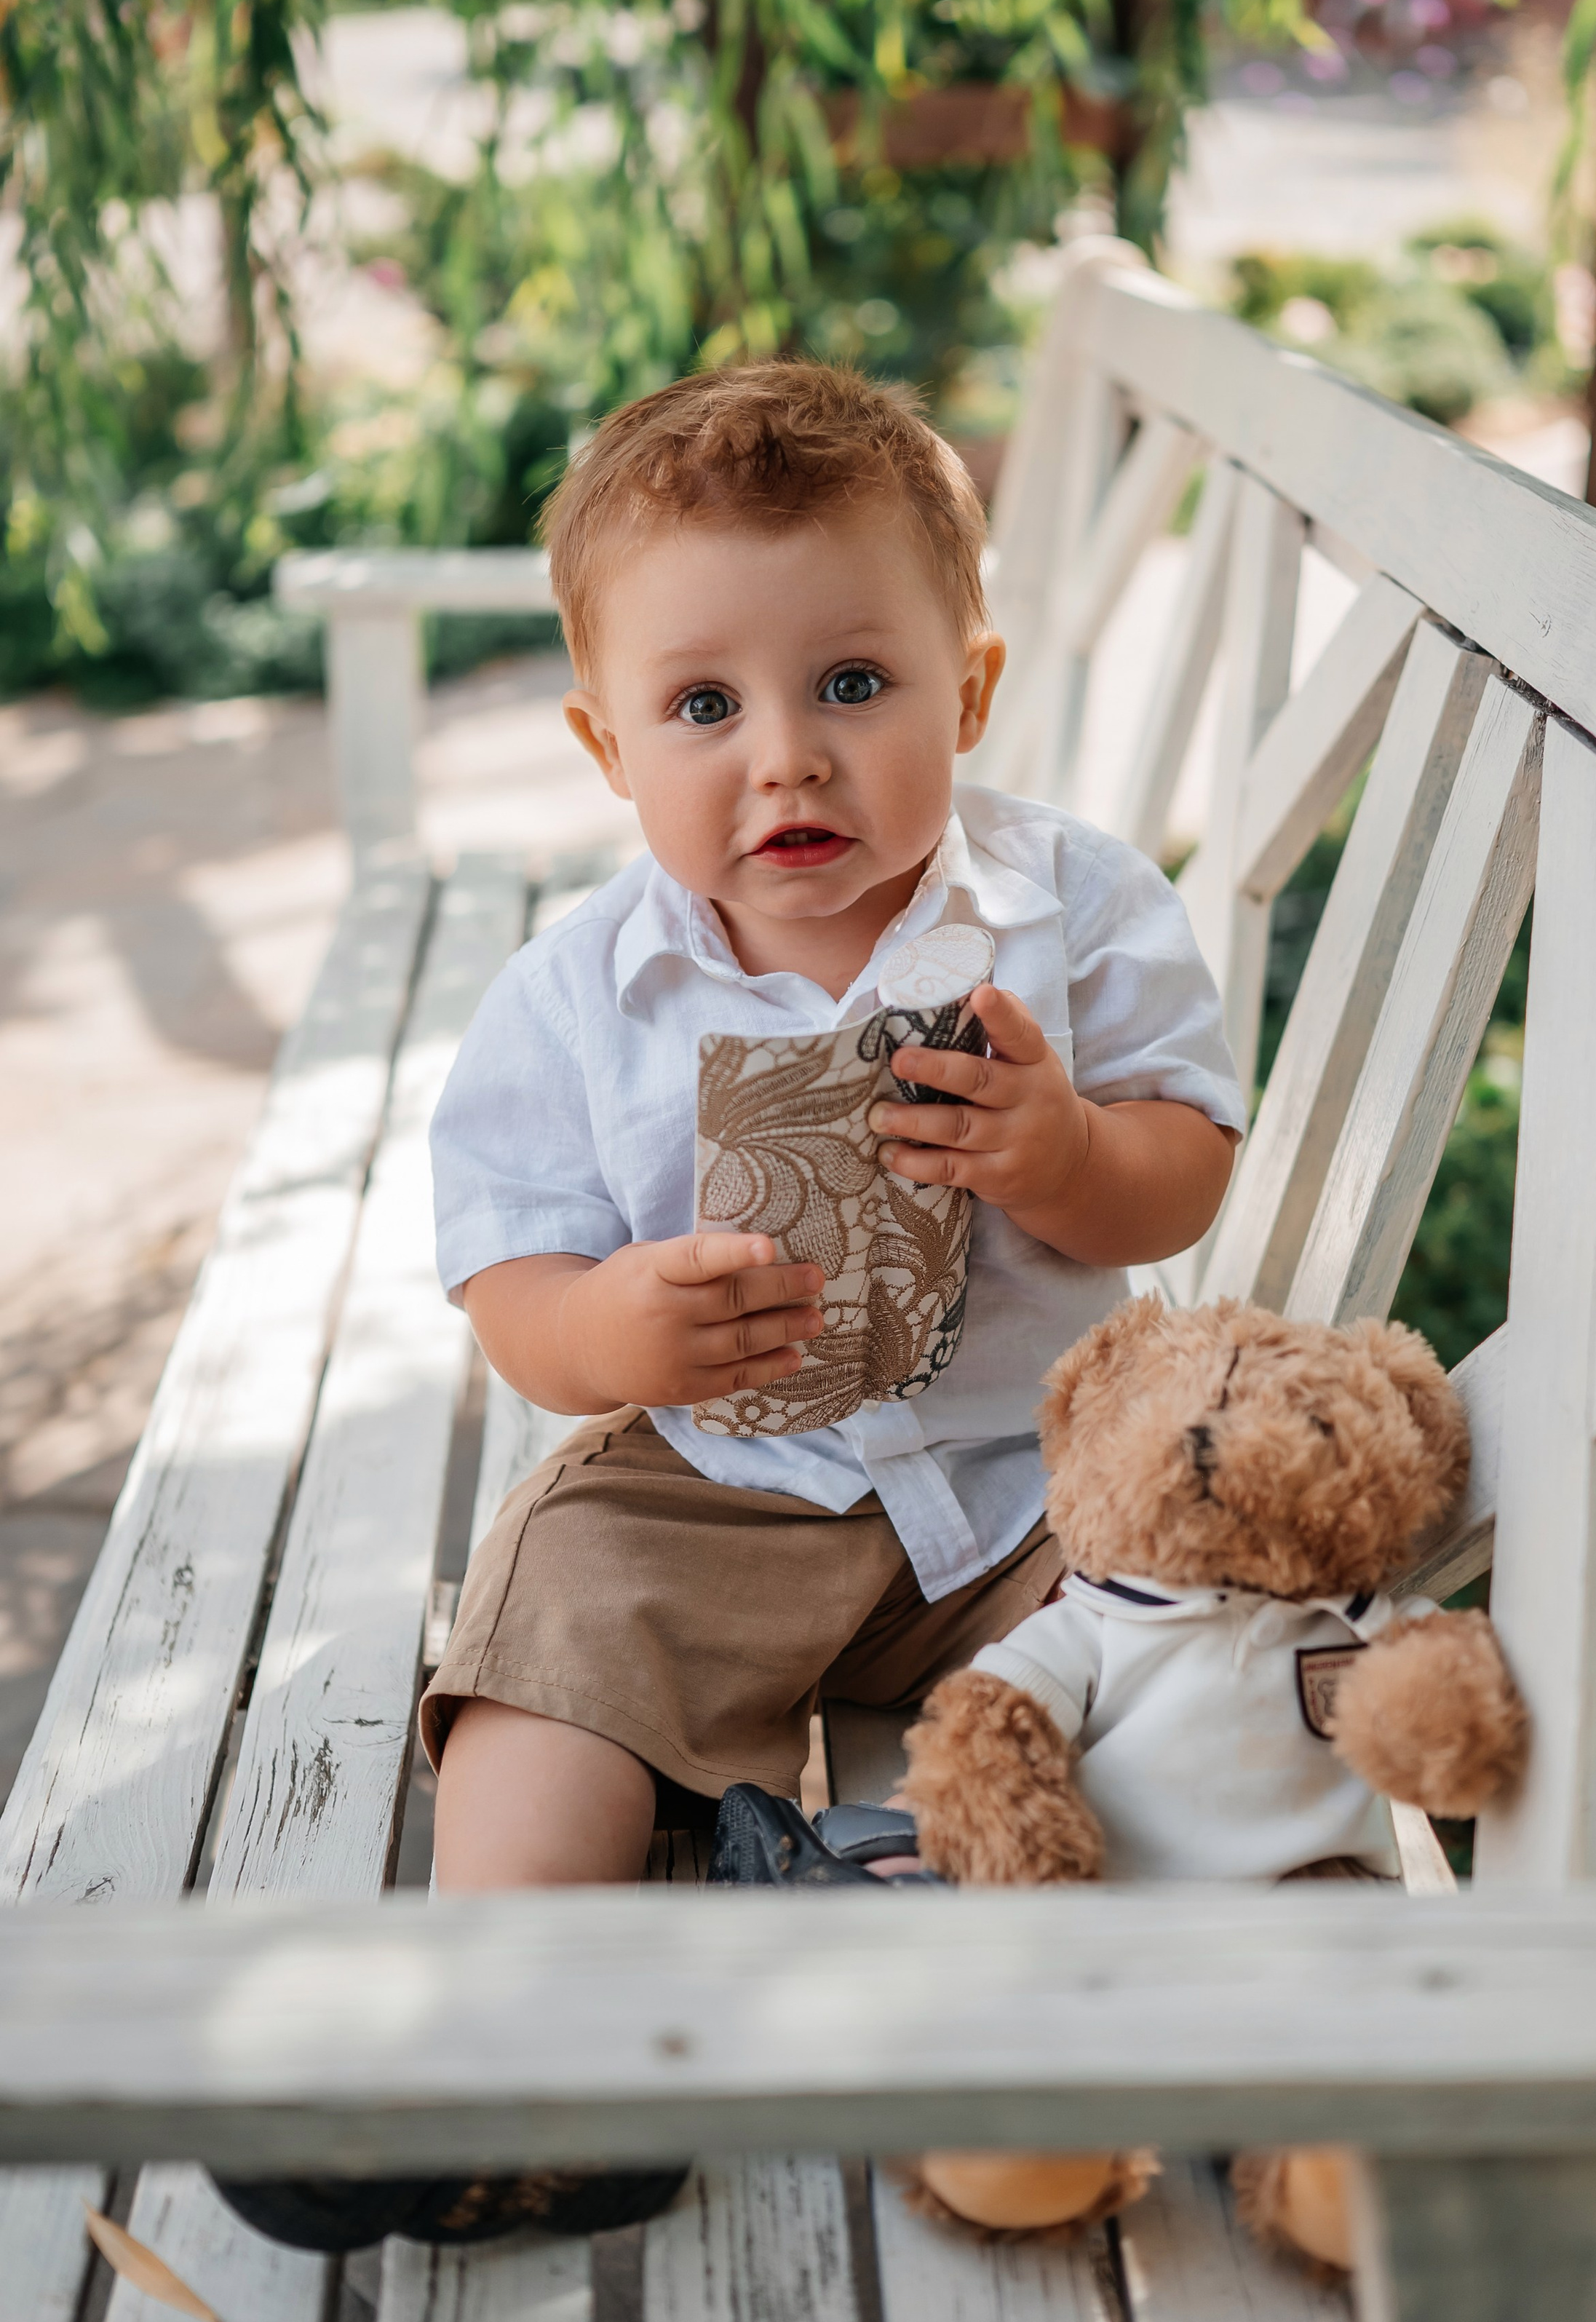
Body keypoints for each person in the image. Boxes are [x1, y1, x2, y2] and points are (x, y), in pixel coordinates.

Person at [421, 357, 1247, 1890]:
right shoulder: (577, 994)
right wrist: (605, 1330)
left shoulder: (1070, 908)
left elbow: (1184, 1166)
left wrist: (1067, 1155)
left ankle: (1025, 1921)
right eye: (703, 705)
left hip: (1029, 1485)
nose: (785, 752)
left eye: (852, 686)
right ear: (610, 750)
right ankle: (510, 2004)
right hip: (718, 1492)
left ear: (971, 692)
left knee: (1195, 1598)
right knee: (552, 1624)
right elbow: (509, 1278)